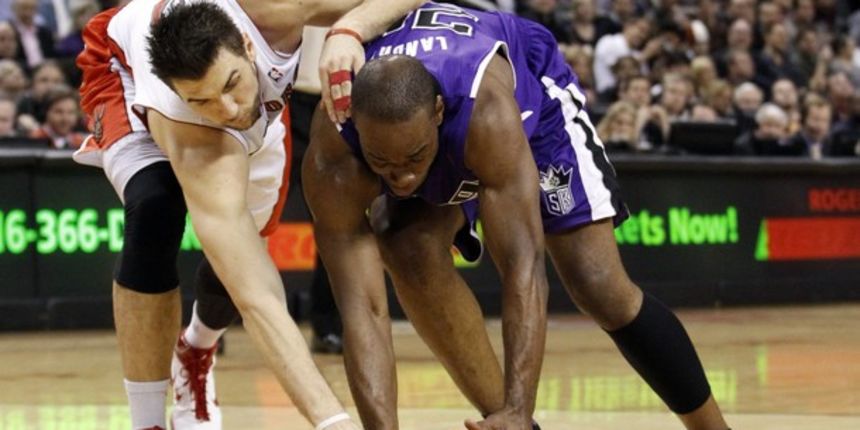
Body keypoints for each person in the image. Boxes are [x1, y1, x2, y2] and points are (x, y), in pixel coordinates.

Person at [304, 3, 730, 430]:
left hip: (529, 91)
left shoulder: (485, 112)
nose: (404, 177)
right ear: (357, 129)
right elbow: (363, 310)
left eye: (415, 158)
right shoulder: (333, 149)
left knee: (596, 283)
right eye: (383, 162)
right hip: (429, 103)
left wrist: (521, 402)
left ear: (437, 114)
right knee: (404, 242)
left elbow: (523, 267)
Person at [72, 0, 422, 429]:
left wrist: (349, 29)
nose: (229, 110)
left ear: (246, 45)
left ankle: (197, 349)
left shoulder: (279, 9)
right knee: (155, 209)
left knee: (248, 244)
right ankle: (148, 422)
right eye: (203, 100)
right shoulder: (190, 125)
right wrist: (332, 421)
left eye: (231, 84)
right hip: (119, 67)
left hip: (266, 109)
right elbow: (257, 298)